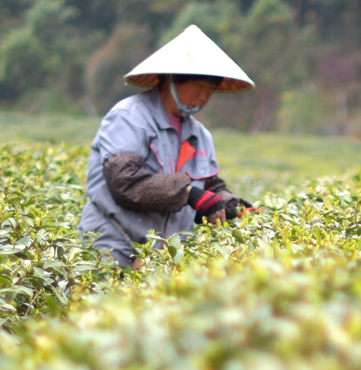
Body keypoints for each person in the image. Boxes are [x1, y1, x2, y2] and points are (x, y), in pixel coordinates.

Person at [80, 24, 255, 267]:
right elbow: (125, 182)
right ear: (172, 80)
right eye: (199, 86)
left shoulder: (200, 134)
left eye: (210, 89)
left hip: (162, 255)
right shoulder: (130, 117)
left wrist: (231, 204)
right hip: (114, 243)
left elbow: (209, 186)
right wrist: (189, 194)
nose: (203, 96)